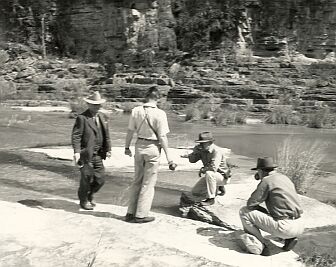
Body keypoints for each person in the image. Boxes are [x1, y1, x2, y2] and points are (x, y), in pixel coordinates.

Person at [124, 86, 176, 223]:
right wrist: (169, 157)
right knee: (148, 183)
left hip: (139, 146)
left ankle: (130, 213)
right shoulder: (160, 114)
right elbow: (163, 137)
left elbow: (130, 131)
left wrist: (126, 147)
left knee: (137, 181)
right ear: (157, 98)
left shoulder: (136, 111)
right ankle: (141, 215)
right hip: (153, 148)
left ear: (146, 96)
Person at [239, 157, 304, 256]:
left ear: (260, 170)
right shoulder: (284, 178)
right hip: (300, 224)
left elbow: (251, 204)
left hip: (284, 227)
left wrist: (262, 209)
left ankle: (261, 245)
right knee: (279, 213)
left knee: (244, 212)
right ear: (273, 169)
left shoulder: (266, 181)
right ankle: (289, 239)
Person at [72, 91, 112, 210]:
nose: (97, 106)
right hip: (86, 154)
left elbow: (106, 134)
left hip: (99, 154)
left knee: (100, 179)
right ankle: (83, 200)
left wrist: (108, 149)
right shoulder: (82, 118)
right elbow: (76, 136)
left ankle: (90, 194)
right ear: (89, 105)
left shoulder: (102, 116)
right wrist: (77, 152)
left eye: (98, 104)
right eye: (94, 104)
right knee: (87, 178)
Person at [188, 131, 231, 206]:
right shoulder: (202, 150)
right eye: (200, 143)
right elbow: (192, 160)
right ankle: (217, 188)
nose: (200, 144)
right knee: (195, 192)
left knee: (209, 173)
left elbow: (213, 168)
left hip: (223, 176)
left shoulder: (216, 151)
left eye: (202, 143)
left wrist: (202, 169)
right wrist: (195, 152)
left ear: (209, 142)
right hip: (214, 176)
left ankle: (211, 199)